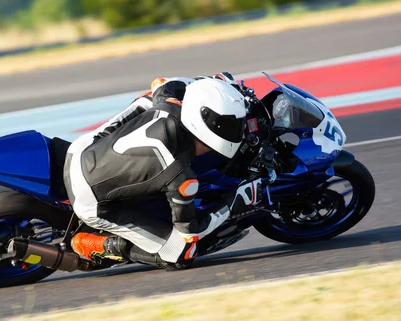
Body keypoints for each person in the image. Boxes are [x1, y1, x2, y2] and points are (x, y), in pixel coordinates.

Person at [62, 72, 262, 269]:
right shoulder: (180, 176)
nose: (238, 130)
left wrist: (210, 85)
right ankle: (101, 245)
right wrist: (233, 203)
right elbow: (191, 229)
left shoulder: (170, 105)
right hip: (90, 200)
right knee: (181, 252)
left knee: (147, 101)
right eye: (231, 125)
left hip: (82, 149)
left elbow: (162, 83)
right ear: (208, 125)